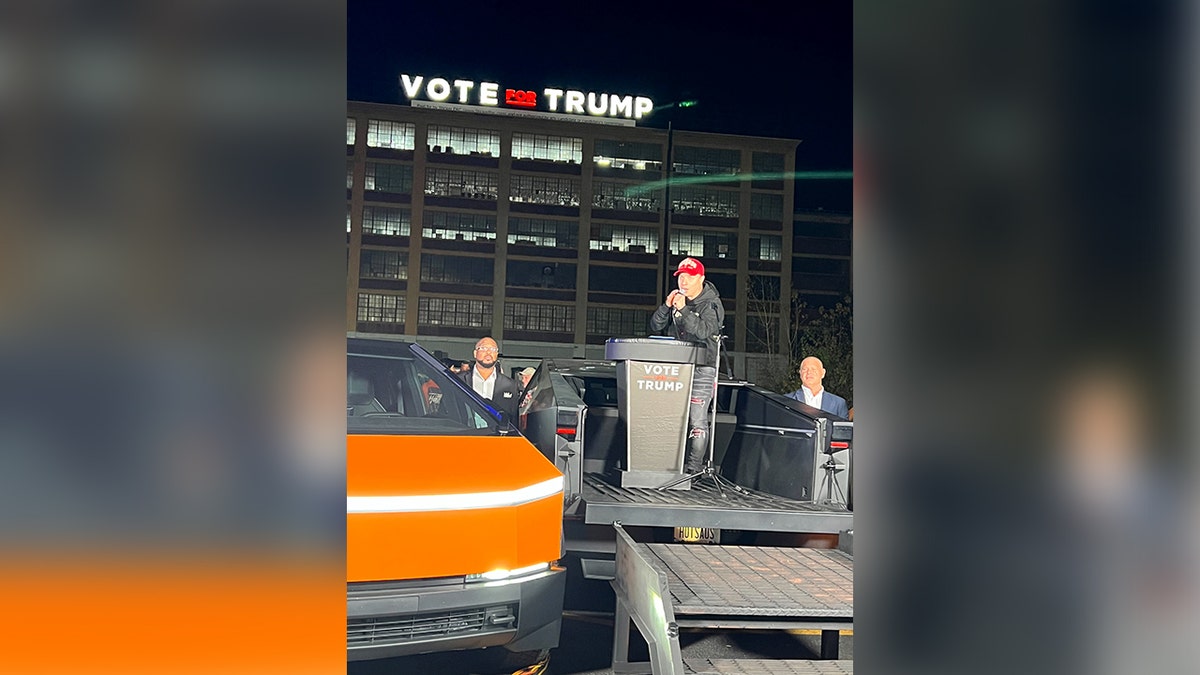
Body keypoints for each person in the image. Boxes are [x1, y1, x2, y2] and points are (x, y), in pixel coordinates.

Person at [649, 257, 725, 473]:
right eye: (681, 276)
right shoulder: (678, 300)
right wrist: (666, 306)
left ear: (700, 278)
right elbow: (655, 326)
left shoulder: (711, 304)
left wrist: (683, 311)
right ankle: (667, 464)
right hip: (677, 367)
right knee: (670, 417)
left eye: (688, 277)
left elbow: (704, 331)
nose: (683, 281)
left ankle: (694, 469)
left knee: (697, 420)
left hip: (703, 367)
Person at [456, 336, 520, 419]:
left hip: (497, 431)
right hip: (466, 430)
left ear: (497, 354)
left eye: (493, 349)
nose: (489, 352)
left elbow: (513, 417)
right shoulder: (459, 380)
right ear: (475, 353)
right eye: (484, 348)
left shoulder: (510, 385)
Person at [785, 356, 849, 418]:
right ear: (800, 373)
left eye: (813, 369)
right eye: (805, 369)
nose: (809, 372)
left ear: (823, 373)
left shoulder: (838, 404)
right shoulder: (786, 400)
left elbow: (843, 428)